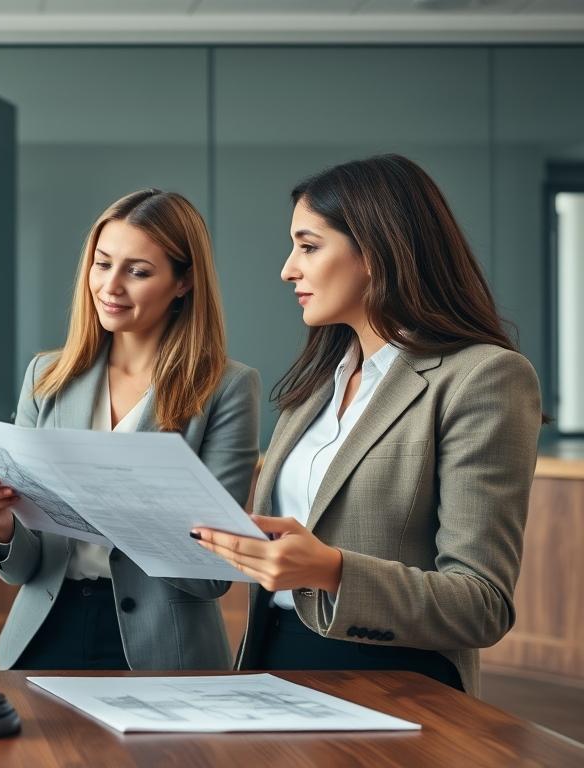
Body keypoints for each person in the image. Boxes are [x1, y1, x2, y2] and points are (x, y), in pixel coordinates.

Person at [193, 154, 542, 697]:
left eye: (308, 246)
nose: (288, 268)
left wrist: (331, 571)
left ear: (377, 251)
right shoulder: (315, 385)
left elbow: (482, 604)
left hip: (392, 684)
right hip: (271, 661)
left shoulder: (484, 377)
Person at [0, 189, 260, 670]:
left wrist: (122, 509)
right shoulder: (46, 377)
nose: (110, 286)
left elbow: (213, 576)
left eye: (138, 271)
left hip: (165, 648)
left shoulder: (228, 388)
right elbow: (23, 569)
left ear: (184, 282)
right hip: (43, 634)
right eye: (102, 264)